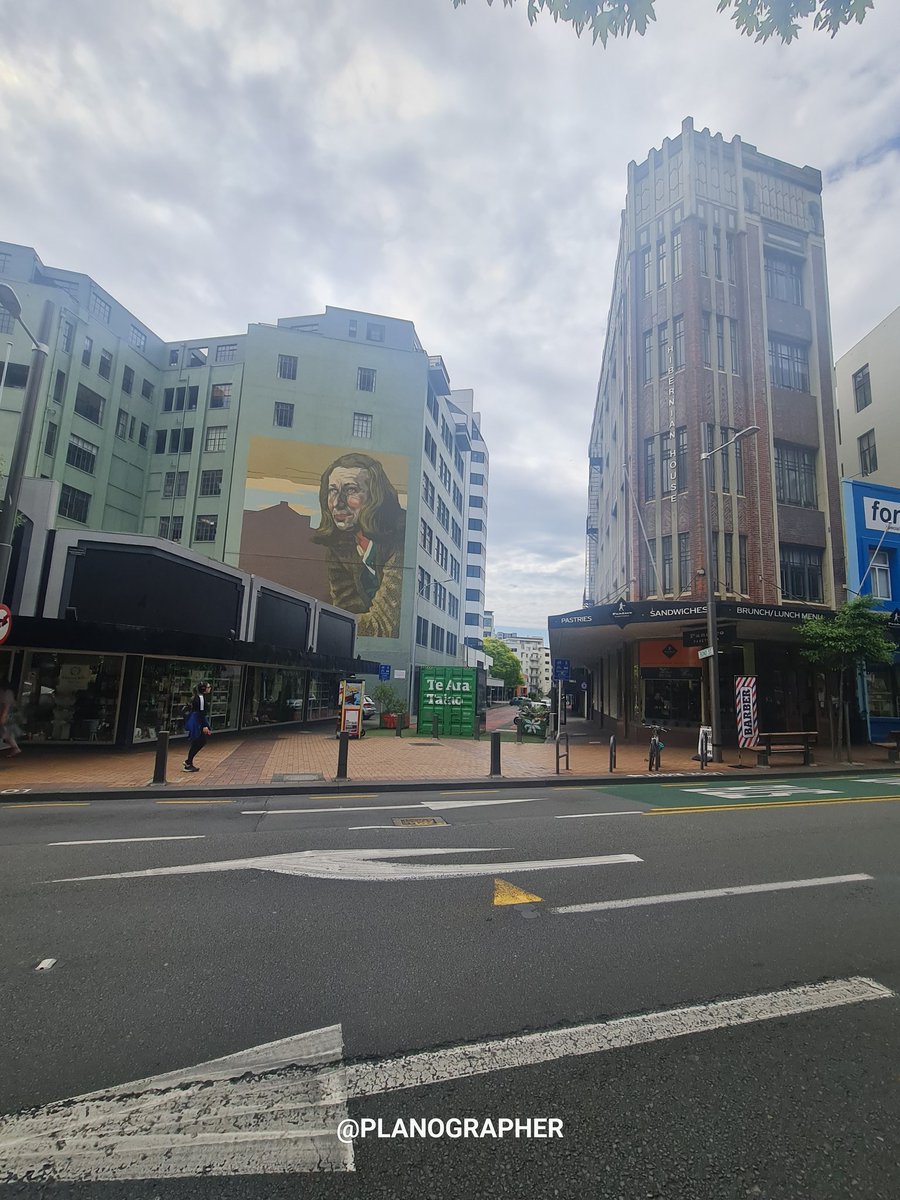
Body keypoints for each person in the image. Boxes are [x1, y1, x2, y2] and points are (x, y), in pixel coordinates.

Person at [312, 453, 405, 638]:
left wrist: (316, 624)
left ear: (376, 496)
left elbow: (385, 626)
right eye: (332, 491)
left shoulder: (401, 538)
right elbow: (345, 611)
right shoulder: (340, 547)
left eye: (351, 490)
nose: (337, 503)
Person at [183, 681, 212, 772]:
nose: (210, 688)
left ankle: (189, 761)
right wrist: (204, 726)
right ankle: (188, 762)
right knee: (200, 741)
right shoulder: (201, 698)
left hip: (195, 720)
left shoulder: (197, 696)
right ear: (204, 689)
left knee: (197, 741)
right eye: (208, 687)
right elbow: (201, 712)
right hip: (198, 721)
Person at [0, 680, 22, 757]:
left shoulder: (5, 693)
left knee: (6, 732)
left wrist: (3, 716)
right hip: (10, 715)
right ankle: (15, 748)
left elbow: (6, 705)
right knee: (7, 732)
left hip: (8, 715)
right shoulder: (9, 692)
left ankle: (15, 748)